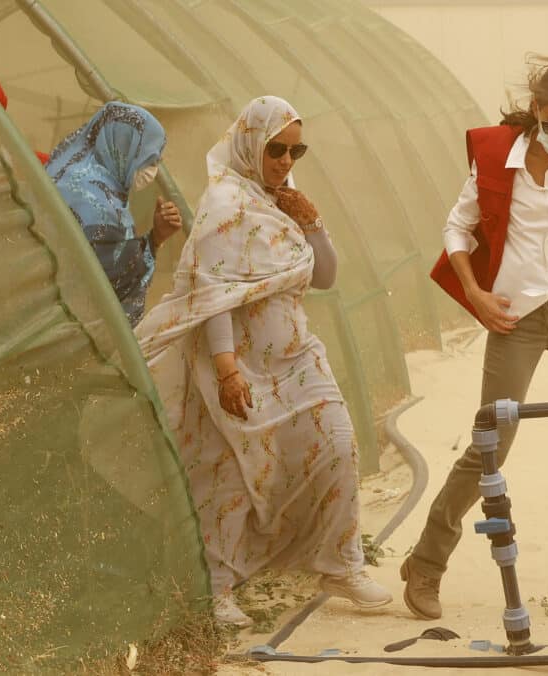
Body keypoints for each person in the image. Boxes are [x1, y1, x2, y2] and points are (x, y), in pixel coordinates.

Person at [134, 95, 392, 627]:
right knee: (233, 467)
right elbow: (213, 294)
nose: (285, 161)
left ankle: (339, 563)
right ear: (251, 142)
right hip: (239, 362)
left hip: (297, 356)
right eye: (277, 148)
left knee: (339, 444)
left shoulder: (284, 200)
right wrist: (227, 370)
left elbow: (324, 277)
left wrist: (313, 222)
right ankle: (218, 588)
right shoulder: (226, 205)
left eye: (297, 151)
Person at [401, 56, 548, 619]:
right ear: (535, 111)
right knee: (492, 444)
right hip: (516, 318)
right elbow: (457, 226)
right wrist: (474, 295)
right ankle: (426, 563)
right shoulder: (494, 158)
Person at [45, 101, 182, 325]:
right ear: (125, 145)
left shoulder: (87, 181)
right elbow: (107, 283)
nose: (152, 169)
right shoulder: (91, 199)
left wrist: (155, 239)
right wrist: (153, 241)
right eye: (150, 158)